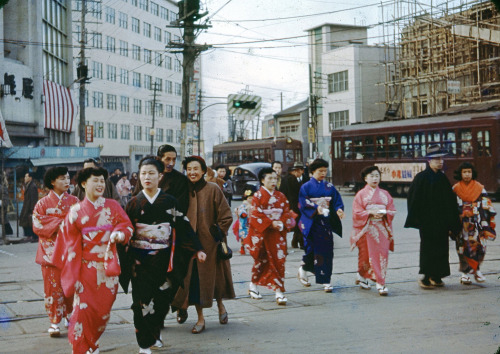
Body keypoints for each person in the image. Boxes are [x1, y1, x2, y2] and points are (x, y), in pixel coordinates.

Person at [121, 156, 206, 354]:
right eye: (143, 173)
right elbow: (126, 231)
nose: (147, 177)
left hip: (164, 260)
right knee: (141, 301)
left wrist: (198, 248)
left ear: (160, 176)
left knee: (161, 300)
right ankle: (144, 343)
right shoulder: (133, 203)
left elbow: (183, 227)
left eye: (151, 173)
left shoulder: (169, 201)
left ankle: (155, 334)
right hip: (139, 263)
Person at [52, 167, 133, 354]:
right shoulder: (75, 211)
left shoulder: (112, 205)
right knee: (83, 311)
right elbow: (69, 242)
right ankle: (82, 347)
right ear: (83, 184)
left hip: (107, 267)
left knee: (102, 312)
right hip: (85, 268)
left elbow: (126, 224)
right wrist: (73, 271)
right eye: (95, 180)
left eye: (102, 181)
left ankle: (92, 341)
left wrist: (120, 234)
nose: (99, 184)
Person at [172, 156, 234, 334]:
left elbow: (226, 215)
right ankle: (200, 319)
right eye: (189, 169)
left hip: (212, 244)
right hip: (191, 246)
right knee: (195, 282)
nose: (192, 172)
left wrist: (217, 232)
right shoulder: (183, 190)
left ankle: (221, 307)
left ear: (203, 170)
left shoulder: (212, 189)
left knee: (216, 279)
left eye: (195, 169)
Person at [404, 144, 461, 289]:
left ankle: (437, 276)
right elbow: (413, 199)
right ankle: (426, 277)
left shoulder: (442, 178)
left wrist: (452, 222)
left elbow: (450, 201)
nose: (440, 162)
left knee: (442, 248)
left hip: (442, 221)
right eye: (436, 159)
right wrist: (419, 220)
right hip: (427, 221)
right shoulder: (421, 178)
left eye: (441, 159)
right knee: (428, 248)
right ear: (429, 161)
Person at [32, 167, 79, 337]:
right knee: (52, 288)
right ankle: (54, 321)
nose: (67, 181)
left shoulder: (74, 201)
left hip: (70, 251)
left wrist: (63, 223)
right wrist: (62, 223)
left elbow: (80, 221)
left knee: (71, 286)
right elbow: (37, 223)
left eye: (68, 178)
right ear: (52, 182)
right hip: (50, 252)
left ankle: (69, 315)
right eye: (61, 178)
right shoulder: (43, 203)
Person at [246, 167, 296, 305]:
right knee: (261, 261)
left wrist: (281, 222)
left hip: (277, 234)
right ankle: (253, 285)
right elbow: (255, 215)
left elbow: (286, 212)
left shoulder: (281, 196)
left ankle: (279, 291)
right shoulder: (257, 196)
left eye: (275, 178)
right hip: (263, 234)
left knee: (279, 261)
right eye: (270, 178)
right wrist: (271, 223)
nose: (273, 181)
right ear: (262, 180)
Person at [297, 158, 344, 293]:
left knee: (326, 250)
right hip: (311, 222)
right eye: (320, 171)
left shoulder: (329, 187)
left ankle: (325, 280)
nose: (323, 173)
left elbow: (336, 201)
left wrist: (339, 209)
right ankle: (305, 268)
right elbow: (303, 202)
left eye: (325, 171)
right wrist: (316, 208)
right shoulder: (306, 187)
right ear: (312, 172)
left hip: (325, 222)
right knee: (313, 249)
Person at [351, 166, 396, 296]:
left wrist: (385, 213)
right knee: (366, 256)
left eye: (377, 175)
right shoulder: (361, 195)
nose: (375, 178)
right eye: (372, 176)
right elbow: (356, 212)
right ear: (365, 178)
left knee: (382, 255)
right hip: (367, 228)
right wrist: (369, 213)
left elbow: (392, 210)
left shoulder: (385, 194)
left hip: (381, 228)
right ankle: (362, 275)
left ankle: (380, 282)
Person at [452, 162, 496, 285]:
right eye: (464, 172)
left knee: (480, 247)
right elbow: (451, 207)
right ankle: (465, 274)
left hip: (477, 224)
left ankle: (477, 270)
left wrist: (486, 221)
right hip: (462, 225)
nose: (467, 174)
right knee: (463, 249)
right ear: (460, 173)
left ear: (473, 173)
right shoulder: (455, 189)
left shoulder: (479, 188)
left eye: (469, 172)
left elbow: (487, 205)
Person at [134, 144, 189, 215]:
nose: (171, 163)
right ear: (159, 159)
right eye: (168, 159)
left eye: (174, 159)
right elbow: (136, 197)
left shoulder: (180, 179)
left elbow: (181, 206)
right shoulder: (146, 175)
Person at [280, 162, 306, 249]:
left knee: (298, 224)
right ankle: (301, 242)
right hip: (294, 206)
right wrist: (292, 207)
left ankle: (295, 242)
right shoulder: (291, 179)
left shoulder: (287, 178)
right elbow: (292, 195)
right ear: (296, 171)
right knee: (299, 224)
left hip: (291, 205)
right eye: (299, 171)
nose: (300, 173)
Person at [234, 186, 256, 255]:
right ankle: (242, 247)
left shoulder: (255, 205)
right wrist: (243, 214)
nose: (251, 199)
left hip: (252, 223)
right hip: (244, 222)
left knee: (253, 236)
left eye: (252, 198)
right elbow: (240, 210)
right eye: (249, 198)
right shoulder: (243, 205)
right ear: (246, 198)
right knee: (243, 236)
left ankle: (252, 247)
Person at [20, 172, 39, 242]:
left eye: (26, 177)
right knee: (26, 221)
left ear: (30, 178)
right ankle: (29, 235)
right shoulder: (28, 185)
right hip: (26, 206)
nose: (25, 178)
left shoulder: (32, 186)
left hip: (29, 207)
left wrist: (32, 209)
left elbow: (33, 199)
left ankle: (32, 236)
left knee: (29, 222)